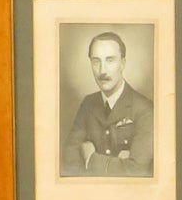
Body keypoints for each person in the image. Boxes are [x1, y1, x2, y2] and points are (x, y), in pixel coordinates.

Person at [61, 32, 154, 175]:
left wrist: (90, 159)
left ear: (122, 63)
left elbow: (136, 170)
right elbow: (68, 160)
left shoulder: (145, 109)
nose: (102, 70)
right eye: (96, 61)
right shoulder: (88, 104)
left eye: (110, 60)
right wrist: (118, 164)